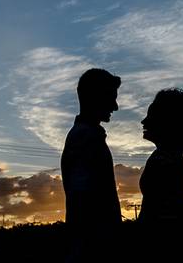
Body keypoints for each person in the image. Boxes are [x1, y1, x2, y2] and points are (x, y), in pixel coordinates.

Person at [61, 68, 122, 256]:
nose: (116, 106)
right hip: (93, 249)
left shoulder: (87, 135)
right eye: (111, 97)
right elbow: (83, 198)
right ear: (95, 97)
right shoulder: (85, 138)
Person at [138, 88, 183, 223]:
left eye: (151, 116)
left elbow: (165, 216)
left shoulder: (166, 160)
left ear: (167, 122)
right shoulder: (167, 156)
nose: (144, 121)